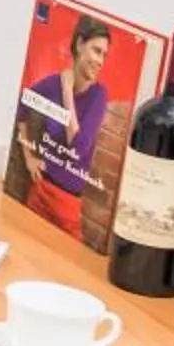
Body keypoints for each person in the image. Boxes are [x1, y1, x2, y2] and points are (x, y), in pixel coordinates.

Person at [16, 13, 114, 234]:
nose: (100, 61)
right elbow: (22, 107)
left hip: (68, 203)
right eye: (96, 50)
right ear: (80, 44)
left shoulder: (99, 95)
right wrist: (28, 156)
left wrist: (67, 92)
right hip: (40, 190)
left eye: (104, 55)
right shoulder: (51, 84)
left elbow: (77, 147)